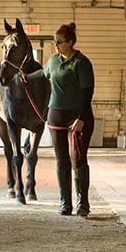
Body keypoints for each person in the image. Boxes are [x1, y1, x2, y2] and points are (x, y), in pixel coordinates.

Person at [23, 23, 95, 216]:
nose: (56, 45)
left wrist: (81, 117)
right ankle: (65, 202)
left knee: (78, 159)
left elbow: (88, 92)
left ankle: (83, 203)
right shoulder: (54, 59)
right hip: (56, 114)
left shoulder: (81, 63)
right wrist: (26, 77)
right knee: (61, 160)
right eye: (54, 42)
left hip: (78, 116)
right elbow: (44, 73)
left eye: (59, 42)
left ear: (70, 42)